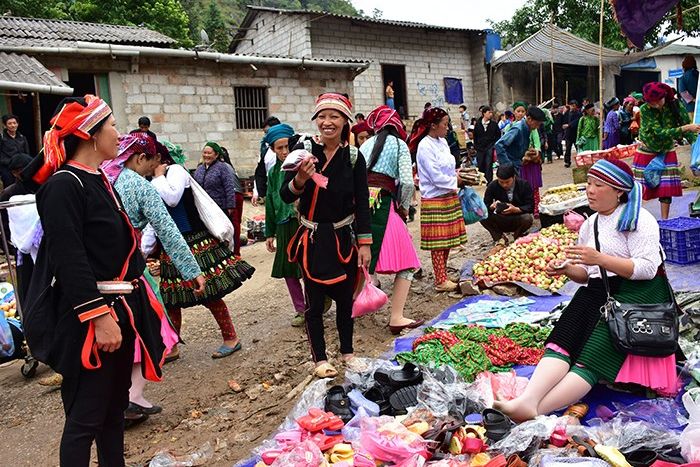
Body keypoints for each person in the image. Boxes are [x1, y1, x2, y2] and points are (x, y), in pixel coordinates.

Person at [24, 95, 166, 466]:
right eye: (114, 125)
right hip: (92, 319)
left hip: (121, 309)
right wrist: (98, 316)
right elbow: (68, 259)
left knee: (113, 411)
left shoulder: (99, 179)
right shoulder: (63, 186)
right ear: (90, 134)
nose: (120, 133)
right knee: (86, 417)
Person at [496, 159, 680, 422]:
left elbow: (647, 269)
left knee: (595, 352)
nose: (590, 191)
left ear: (619, 190)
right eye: (588, 184)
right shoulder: (589, 223)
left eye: (598, 185)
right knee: (565, 335)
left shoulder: (640, 219)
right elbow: (587, 275)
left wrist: (600, 258)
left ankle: (536, 410)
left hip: (639, 292)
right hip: (601, 288)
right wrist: (566, 270)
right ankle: (528, 400)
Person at [102, 133, 206, 422]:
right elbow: (167, 231)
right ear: (139, 158)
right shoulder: (139, 187)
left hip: (96, 273)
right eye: (153, 162)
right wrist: (192, 270)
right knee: (149, 326)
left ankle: (112, 400)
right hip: (129, 271)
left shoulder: (99, 178)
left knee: (112, 335)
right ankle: (132, 397)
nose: (154, 169)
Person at [281, 92, 371, 378]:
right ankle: (320, 358)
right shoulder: (304, 151)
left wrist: (365, 243)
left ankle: (348, 352)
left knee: (345, 300)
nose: (327, 122)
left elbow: (362, 201)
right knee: (314, 304)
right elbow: (285, 194)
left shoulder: (354, 158)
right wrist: (300, 179)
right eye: (322, 116)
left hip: (344, 238)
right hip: (313, 239)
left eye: (334, 117)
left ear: (345, 122)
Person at [149, 142, 255, 360]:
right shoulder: (151, 180)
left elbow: (173, 198)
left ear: (158, 158)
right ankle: (172, 346)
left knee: (209, 294)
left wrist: (159, 177)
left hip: (194, 242)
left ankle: (231, 338)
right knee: (170, 299)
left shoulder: (176, 171)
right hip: (171, 245)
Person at [360, 105, 423, 334]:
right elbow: (406, 182)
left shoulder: (365, 144)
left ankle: (353, 308)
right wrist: (405, 208)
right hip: (384, 206)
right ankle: (396, 316)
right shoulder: (399, 145)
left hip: (360, 207)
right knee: (408, 264)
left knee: (361, 259)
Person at [409, 107, 467, 292]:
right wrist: (455, 181)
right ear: (433, 126)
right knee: (438, 241)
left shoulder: (441, 141)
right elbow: (435, 176)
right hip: (435, 197)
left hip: (448, 194)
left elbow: (448, 166)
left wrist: (458, 174)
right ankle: (440, 279)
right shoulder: (425, 146)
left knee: (448, 239)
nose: (448, 128)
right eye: (445, 124)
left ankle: (443, 274)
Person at [633, 82, 700, 219]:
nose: (657, 105)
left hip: (666, 151)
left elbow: (685, 125)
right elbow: (659, 132)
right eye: (652, 102)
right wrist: (686, 128)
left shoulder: (675, 106)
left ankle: (665, 220)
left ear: (665, 96)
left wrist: (696, 146)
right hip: (647, 151)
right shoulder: (645, 110)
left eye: (659, 101)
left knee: (665, 189)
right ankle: (638, 219)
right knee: (642, 188)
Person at [263, 123, 308, 327]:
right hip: (283, 225)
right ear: (272, 149)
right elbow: (271, 203)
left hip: (303, 223)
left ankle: (316, 302)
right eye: (278, 148)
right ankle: (301, 309)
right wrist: (269, 233)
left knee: (308, 267)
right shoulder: (273, 173)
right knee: (289, 271)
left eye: (286, 147)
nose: (283, 152)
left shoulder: (304, 166)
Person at [498, 105, 546, 216]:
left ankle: (518, 217)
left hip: (518, 164)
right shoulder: (518, 128)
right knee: (511, 192)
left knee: (517, 191)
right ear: (529, 119)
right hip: (512, 165)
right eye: (537, 123)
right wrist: (507, 166)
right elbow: (499, 145)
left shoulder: (527, 129)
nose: (538, 127)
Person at [480, 164, 534, 244]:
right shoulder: (493, 186)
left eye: (507, 182)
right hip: (501, 218)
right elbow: (485, 205)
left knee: (528, 218)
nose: (504, 185)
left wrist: (516, 209)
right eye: (501, 182)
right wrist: (491, 206)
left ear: (514, 177)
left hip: (517, 217)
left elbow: (530, 206)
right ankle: (499, 237)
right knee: (481, 216)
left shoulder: (523, 185)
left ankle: (517, 236)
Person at [216, 145, 247, 258]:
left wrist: (229, 204)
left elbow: (228, 187)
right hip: (237, 194)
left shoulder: (221, 167)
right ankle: (235, 251)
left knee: (233, 224)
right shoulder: (229, 166)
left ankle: (234, 253)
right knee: (236, 224)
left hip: (232, 196)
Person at [252, 116, 281, 206]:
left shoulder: (290, 146)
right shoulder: (265, 149)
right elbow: (260, 172)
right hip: (271, 190)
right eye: (265, 133)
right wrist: (257, 192)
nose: (266, 136)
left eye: (268, 132)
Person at [0, 114, 30, 188]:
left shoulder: (22, 137)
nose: (13, 125)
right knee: (10, 187)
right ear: (5, 125)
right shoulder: (1, 138)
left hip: (21, 167)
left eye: (14, 123)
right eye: (9, 123)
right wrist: (10, 162)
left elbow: (27, 153)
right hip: (7, 167)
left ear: (17, 124)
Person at [473, 105, 500, 184]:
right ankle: (482, 178)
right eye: (489, 112)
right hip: (480, 148)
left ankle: (489, 181)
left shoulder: (494, 124)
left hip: (490, 147)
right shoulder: (478, 124)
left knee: (489, 164)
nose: (491, 114)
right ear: (484, 113)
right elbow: (475, 136)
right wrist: (476, 146)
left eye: (491, 112)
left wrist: (494, 144)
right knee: (480, 163)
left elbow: (498, 135)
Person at [563, 100, 582, 168]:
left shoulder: (579, 114)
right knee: (568, 148)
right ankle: (567, 162)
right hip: (568, 134)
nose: (572, 107)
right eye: (571, 105)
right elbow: (563, 120)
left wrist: (569, 125)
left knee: (578, 149)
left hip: (576, 133)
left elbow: (577, 122)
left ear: (576, 106)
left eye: (574, 106)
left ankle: (580, 161)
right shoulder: (567, 113)